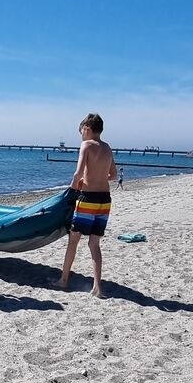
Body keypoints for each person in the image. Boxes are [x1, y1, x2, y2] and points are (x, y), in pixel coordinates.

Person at [54, 112, 117, 298]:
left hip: (88, 199)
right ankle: (98, 287)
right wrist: (97, 176)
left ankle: (63, 280)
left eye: (81, 130)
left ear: (87, 129)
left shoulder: (86, 145)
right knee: (94, 243)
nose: (81, 134)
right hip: (105, 200)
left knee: (74, 240)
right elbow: (113, 175)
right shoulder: (107, 148)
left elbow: (78, 173)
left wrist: (73, 188)